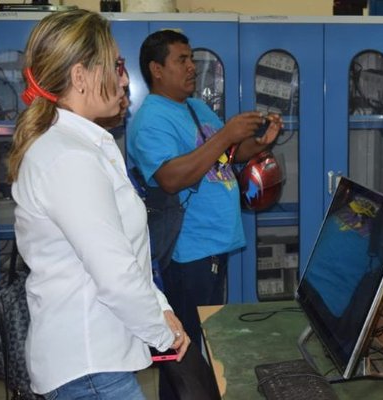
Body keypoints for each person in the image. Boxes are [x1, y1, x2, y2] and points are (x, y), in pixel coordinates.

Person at [7, 10, 190, 399]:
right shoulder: (68, 157)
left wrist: (160, 307)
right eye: (115, 66)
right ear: (80, 76)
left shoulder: (81, 146)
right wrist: (162, 334)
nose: (123, 79)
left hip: (93, 364)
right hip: (89, 369)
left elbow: (122, 249)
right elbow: (114, 272)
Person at [127, 29, 281, 399]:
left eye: (192, 58)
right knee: (181, 351)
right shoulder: (151, 119)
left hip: (213, 244)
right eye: (181, 59)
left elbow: (222, 158)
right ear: (156, 69)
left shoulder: (195, 108)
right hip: (186, 251)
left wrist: (254, 144)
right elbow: (169, 178)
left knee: (200, 341)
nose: (192, 67)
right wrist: (225, 133)